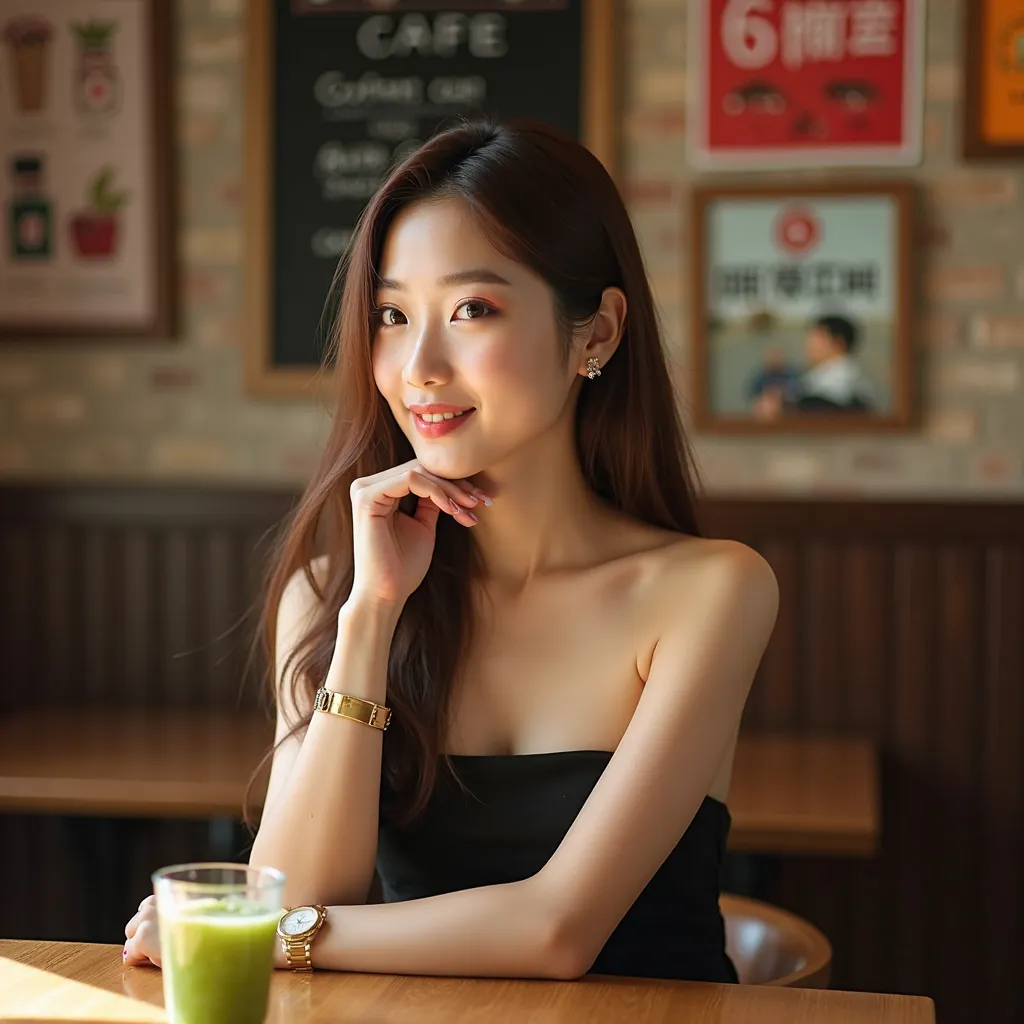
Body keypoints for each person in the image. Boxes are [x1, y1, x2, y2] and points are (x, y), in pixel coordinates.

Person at [124, 118, 778, 982]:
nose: (418, 367)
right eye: (393, 314)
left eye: (473, 308)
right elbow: (308, 887)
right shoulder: (331, 593)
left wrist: (249, 935)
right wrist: (371, 614)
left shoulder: (710, 590)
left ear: (599, 333)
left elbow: (557, 933)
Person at [753, 314, 876, 421]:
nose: (808, 344)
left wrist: (782, 408)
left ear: (838, 343)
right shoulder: (818, 375)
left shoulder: (846, 379)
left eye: (817, 337)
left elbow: (826, 409)